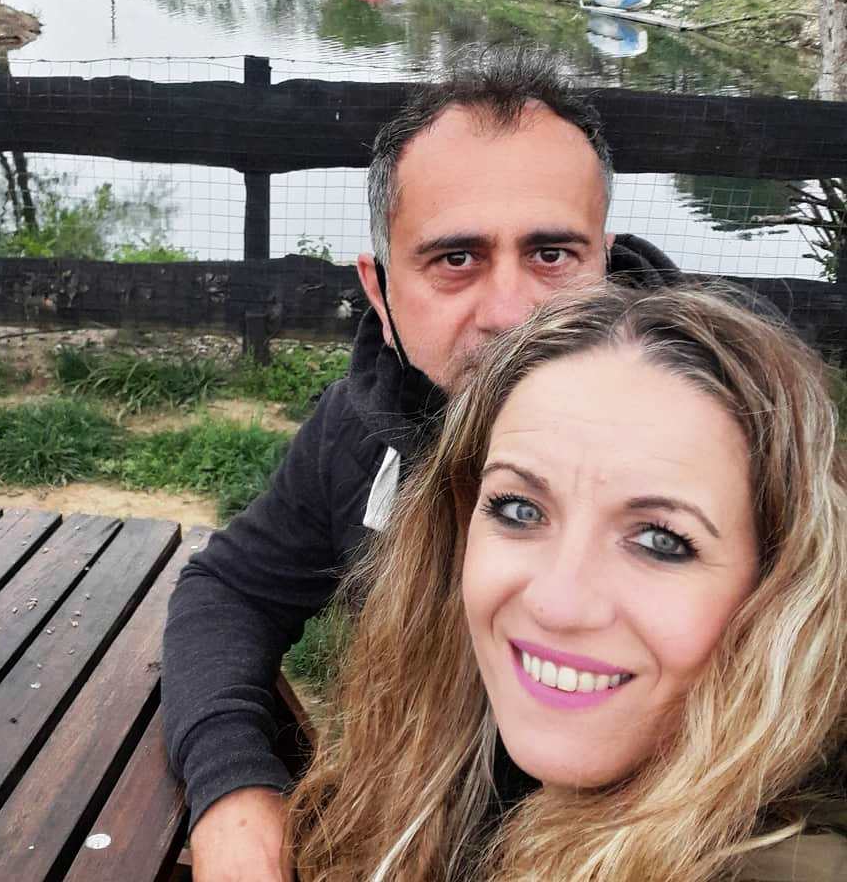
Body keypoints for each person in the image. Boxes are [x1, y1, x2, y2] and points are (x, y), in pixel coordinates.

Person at [162, 46, 680, 880]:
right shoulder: (361, 428)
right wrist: (231, 787)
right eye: (455, 259)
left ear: (605, 262)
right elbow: (232, 588)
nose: (509, 313)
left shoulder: (718, 447)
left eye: (552, 255)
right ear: (380, 292)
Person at [288, 284, 847, 882]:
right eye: (520, 510)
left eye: (661, 540)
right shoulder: (445, 765)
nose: (557, 604)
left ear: (781, 581)